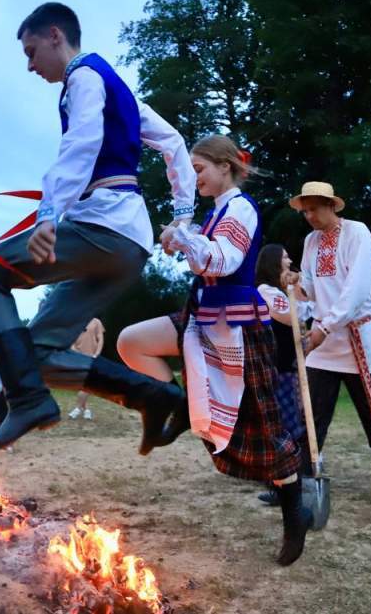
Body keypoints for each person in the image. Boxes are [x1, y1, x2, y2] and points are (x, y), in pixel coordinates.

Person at [0, 2, 196, 456]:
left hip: (102, 226)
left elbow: (81, 141)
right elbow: (174, 143)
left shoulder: (83, 76)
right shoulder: (117, 87)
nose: (30, 65)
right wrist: (182, 212)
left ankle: (25, 401)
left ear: (54, 35)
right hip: (130, 244)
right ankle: (155, 395)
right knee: (40, 352)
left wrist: (50, 214)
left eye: (31, 52)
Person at [117, 135, 310, 565]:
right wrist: (177, 239)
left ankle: (294, 517)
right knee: (131, 343)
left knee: (265, 435)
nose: (193, 176)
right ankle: (180, 405)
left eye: (199, 168)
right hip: (201, 315)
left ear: (226, 167)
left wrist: (183, 239)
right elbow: (203, 261)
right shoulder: (215, 212)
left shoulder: (239, 208)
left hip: (237, 326)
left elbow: (220, 261)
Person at [290, 181, 371, 511]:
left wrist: (324, 327)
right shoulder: (310, 241)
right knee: (310, 422)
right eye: (305, 211)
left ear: (331, 205)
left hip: (355, 341)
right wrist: (295, 284)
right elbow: (312, 289)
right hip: (324, 348)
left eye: (314, 208)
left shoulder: (357, 233)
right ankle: (294, 486)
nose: (310, 216)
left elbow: (355, 291)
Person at [252, 244, 309, 506]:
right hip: (278, 368)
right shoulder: (266, 291)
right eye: (286, 257)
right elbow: (292, 317)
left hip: (286, 367)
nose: (290, 260)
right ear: (274, 262)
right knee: (282, 426)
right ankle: (281, 484)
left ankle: (295, 478)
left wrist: (295, 287)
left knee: (292, 425)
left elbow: (303, 308)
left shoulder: (279, 291)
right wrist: (294, 293)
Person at [68, 318, 104, 420]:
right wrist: (77, 353)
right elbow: (71, 341)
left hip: (92, 358)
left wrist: (97, 354)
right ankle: (86, 410)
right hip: (78, 358)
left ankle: (78, 408)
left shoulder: (96, 322)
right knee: (81, 385)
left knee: (88, 384)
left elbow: (100, 338)